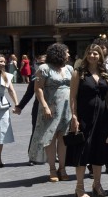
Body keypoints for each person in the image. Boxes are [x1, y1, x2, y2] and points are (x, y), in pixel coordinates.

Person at [65, 42, 108, 197]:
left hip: (102, 118)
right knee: (83, 151)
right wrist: (74, 116)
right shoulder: (79, 73)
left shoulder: (105, 74)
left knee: (99, 150)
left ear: (101, 56)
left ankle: (97, 184)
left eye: (96, 53)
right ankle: (79, 187)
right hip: (84, 117)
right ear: (86, 54)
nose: (93, 55)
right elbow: (73, 96)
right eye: (90, 52)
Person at [28, 43, 75, 182]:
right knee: (51, 137)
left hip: (67, 108)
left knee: (63, 138)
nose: (69, 55)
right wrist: (44, 106)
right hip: (51, 108)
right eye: (67, 52)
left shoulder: (69, 68)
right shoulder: (44, 68)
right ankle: (52, 169)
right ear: (59, 53)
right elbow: (38, 88)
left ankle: (62, 168)